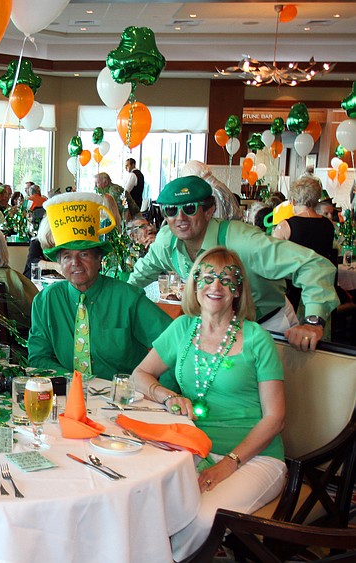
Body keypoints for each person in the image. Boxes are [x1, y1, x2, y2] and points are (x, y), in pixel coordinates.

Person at [131, 247, 286, 559]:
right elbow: (140, 375)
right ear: (194, 284)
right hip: (191, 448)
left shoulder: (256, 338)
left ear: (239, 290)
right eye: (207, 277)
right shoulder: (183, 329)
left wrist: (229, 463)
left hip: (255, 458)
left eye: (227, 280)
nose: (216, 286)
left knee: (200, 519)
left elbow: (275, 418)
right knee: (144, 500)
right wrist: (168, 395)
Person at [128, 176, 338, 351]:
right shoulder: (167, 242)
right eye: (171, 211)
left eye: (190, 208)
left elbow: (314, 265)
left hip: (267, 325)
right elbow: (138, 278)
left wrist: (313, 322)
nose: (180, 217)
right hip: (219, 328)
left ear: (209, 211)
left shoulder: (243, 241)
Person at [29, 193, 173, 381]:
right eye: (67, 256)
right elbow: (38, 358)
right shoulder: (46, 300)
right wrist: (73, 380)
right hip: (71, 397)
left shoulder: (128, 298)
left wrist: (160, 393)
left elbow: (174, 345)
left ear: (99, 260)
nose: (75, 263)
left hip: (126, 399)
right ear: (59, 263)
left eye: (84, 255)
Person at [272, 176, 336, 312]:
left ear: (293, 201)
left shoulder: (286, 226)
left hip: (292, 293)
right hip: (320, 289)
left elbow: (273, 261)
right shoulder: (329, 225)